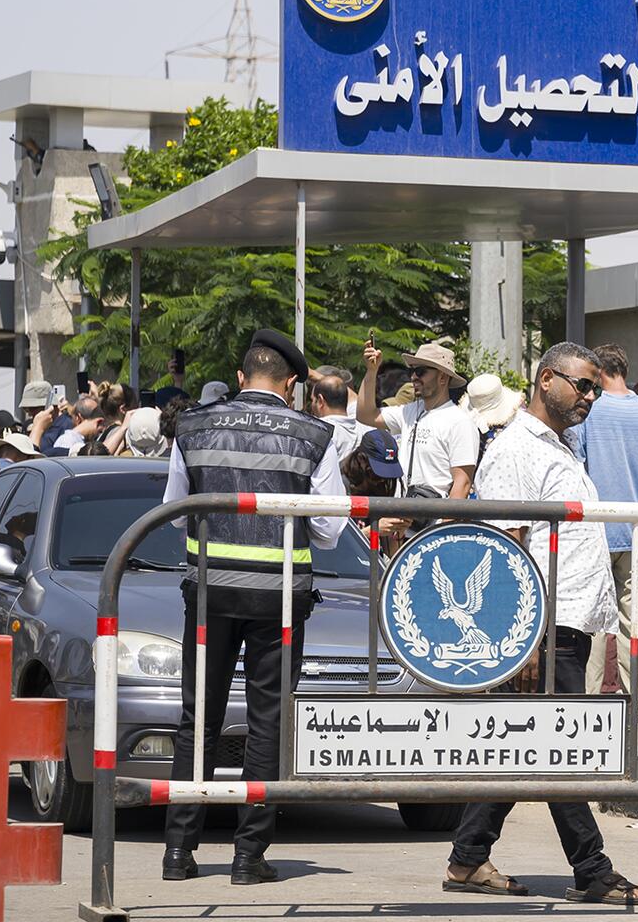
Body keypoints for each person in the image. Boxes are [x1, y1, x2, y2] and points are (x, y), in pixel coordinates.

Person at [442, 341, 638, 905]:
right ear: (545, 381)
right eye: (581, 385)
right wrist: (526, 634)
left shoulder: (558, 445)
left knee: (524, 748)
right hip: (543, 623)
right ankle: (593, 870)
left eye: (593, 387)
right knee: (558, 747)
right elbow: (509, 548)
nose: (589, 396)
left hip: (567, 619)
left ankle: (467, 859)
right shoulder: (515, 449)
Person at [161, 330, 346, 886]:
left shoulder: (191, 426)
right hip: (280, 603)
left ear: (240, 379)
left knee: (200, 718)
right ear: (290, 384)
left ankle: (177, 852)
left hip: (210, 596)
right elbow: (333, 528)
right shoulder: (314, 434)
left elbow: (173, 513)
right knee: (268, 723)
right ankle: (248, 857)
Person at [574, 345, 638, 719]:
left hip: (595, 526)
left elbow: (577, 463)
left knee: (594, 617)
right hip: (636, 526)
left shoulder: (589, 411)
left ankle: (587, 696)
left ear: (598, 372)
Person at [356, 338, 478, 546]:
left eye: (421, 371)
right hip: (400, 529)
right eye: (412, 371)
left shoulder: (460, 422)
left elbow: (462, 484)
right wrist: (371, 372)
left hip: (432, 532)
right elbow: (366, 414)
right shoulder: (410, 411)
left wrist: (439, 537)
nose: (413, 377)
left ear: (442, 377)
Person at [309, 371, 362, 462]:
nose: (312, 405)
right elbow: (354, 398)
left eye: (313, 400)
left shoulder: (318, 431)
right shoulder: (362, 425)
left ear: (321, 401)